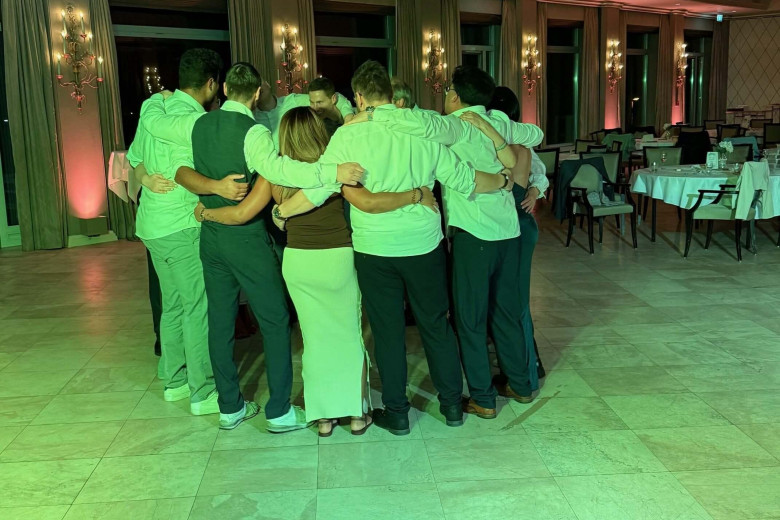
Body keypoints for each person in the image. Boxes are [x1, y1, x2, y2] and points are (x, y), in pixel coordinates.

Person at [138, 62, 365, 432]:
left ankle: (229, 407)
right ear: (257, 93)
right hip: (245, 239)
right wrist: (330, 173)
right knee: (274, 319)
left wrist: (211, 189)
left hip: (211, 239)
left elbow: (179, 170)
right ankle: (279, 411)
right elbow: (281, 171)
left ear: (225, 88)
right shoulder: (255, 132)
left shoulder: (197, 123)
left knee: (219, 320)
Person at [191, 106, 440, 437]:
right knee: (349, 335)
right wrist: (416, 195)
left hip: (298, 262)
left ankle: (323, 418)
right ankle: (355, 414)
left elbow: (242, 213)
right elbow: (367, 201)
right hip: (338, 258)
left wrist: (207, 213)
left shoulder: (275, 174)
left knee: (314, 340)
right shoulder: (336, 166)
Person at [316, 60, 514, 436]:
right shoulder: (422, 130)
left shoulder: (347, 136)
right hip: (424, 245)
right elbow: (465, 179)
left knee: (387, 332)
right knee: (436, 325)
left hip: (374, 248)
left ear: (359, 96)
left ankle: (397, 411)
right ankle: (452, 405)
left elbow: (324, 180)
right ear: (391, 94)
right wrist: (504, 181)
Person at [126, 48, 221, 416]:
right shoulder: (194, 121)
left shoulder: (154, 108)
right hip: (181, 226)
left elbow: (134, 162)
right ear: (211, 84)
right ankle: (203, 392)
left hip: (152, 225)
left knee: (174, 305)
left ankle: (174, 380)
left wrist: (147, 179)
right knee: (197, 307)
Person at [462, 85, 549, 393]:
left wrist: (534, 190)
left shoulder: (486, 141)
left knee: (513, 303)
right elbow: (540, 174)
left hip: (511, 226)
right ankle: (521, 367)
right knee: (510, 302)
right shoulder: (520, 143)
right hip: (519, 225)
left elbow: (537, 177)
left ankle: (528, 369)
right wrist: (535, 190)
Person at [253, 77, 354, 148]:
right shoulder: (251, 116)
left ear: (267, 84)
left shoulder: (292, 101)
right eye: (254, 86)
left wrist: (349, 118)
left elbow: (334, 97)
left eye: (260, 82)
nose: (259, 88)